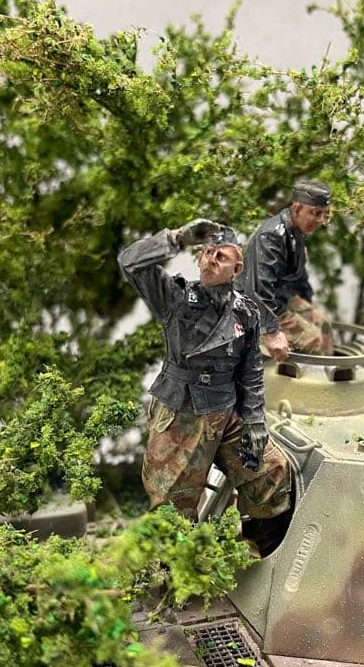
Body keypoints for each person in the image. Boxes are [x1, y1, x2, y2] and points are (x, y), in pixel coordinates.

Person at [118, 219, 291, 532]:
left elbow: (251, 371)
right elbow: (129, 261)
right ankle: (175, 559)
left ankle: (257, 539)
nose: (211, 259)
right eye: (207, 253)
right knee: (173, 504)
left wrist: (254, 421)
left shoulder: (246, 312)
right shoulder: (175, 299)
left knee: (270, 470)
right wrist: (178, 238)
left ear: (236, 269)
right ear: (198, 259)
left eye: (221, 256)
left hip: (225, 413)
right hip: (182, 411)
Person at [237, 180, 334, 361]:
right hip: (254, 307)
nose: (321, 220)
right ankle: (296, 376)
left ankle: (319, 370)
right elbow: (258, 290)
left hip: (280, 298)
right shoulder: (271, 236)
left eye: (324, 214)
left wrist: (307, 302)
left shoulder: (296, 232)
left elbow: (298, 275)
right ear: (297, 209)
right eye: (316, 213)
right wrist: (271, 332)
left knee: (324, 325)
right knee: (314, 340)